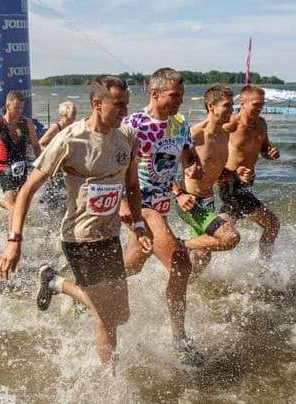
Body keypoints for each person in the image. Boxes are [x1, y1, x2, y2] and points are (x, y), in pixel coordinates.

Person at [0, 75, 151, 365]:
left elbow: (132, 185)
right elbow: (28, 190)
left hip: (110, 236)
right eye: (118, 105)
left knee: (121, 315)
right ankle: (110, 385)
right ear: (97, 104)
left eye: (126, 105)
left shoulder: (127, 136)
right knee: (106, 318)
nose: (125, 112)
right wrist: (14, 240)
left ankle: (53, 281)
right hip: (78, 238)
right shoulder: (70, 139)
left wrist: (139, 224)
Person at [120, 67, 200, 360]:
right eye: (174, 95)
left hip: (162, 205)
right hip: (140, 203)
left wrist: (192, 166)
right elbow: (114, 165)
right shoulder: (133, 124)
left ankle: (83, 288)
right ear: (154, 93)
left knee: (134, 264)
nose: (179, 100)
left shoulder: (180, 124)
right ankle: (179, 339)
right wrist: (122, 204)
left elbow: (189, 155)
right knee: (181, 265)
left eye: (181, 95)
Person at [175, 86, 252, 277]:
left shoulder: (224, 134)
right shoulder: (194, 134)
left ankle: (182, 288)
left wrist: (235, 174)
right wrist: (179, 193)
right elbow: (162, 166)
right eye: (227, 105)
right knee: (230, 237)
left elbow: (215, 168)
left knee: (202, 258)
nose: (231, 110)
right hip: (189, 202)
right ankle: (178, 244)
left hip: (208, 201)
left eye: (232, 105)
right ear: (211, 106)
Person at [219, 85, 280, 259]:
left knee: (224, 233)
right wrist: (233, 171)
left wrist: (270, 152)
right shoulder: (230, 124)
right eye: (255, 104)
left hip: (248, 183)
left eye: (262, 104)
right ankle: (265, 266)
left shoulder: (261, 123)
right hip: (231, 184)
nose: (260, 107)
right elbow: (211, 152)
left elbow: (264, 148)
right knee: (273, 224)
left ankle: (196, 250)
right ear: (242, 102)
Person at [0, 91, 41, 216]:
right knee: (13, 209)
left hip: (21, 168)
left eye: (21, 107)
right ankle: (14, 233)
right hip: (4, 168)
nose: (19, 111)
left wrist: (41, 165)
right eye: (16, 107)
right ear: (7, 106)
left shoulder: (27, 123)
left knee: (21, 205)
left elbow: (36, 146)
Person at [38, 101, 77, 209]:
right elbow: (41, 143)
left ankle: (64, 209)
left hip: (67, 164)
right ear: (62, 116)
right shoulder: (56, 127)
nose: (72, 120)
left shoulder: (72, 128)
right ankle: (48, 208)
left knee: (66, 188)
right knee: (53, 188)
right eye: (69, 118)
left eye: (73, 117)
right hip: (55, 164)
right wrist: (54, 153)